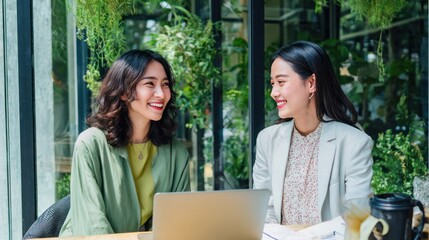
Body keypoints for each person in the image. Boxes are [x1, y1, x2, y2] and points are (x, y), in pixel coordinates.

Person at [59, 49, 190, 236]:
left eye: (165, 84)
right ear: (123, 92)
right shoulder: (91, 144)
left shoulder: (176, 153)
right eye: (149, 84)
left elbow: (178, 222)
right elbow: (93, 224)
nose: (161, 93)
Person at [253, 41, 373, 225]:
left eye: (281, 82)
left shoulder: (354, 143)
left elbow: (357, 218)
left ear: (311, 83)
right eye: (272, 84)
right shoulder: (267, 140)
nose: (273, 92)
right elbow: (263, 212)